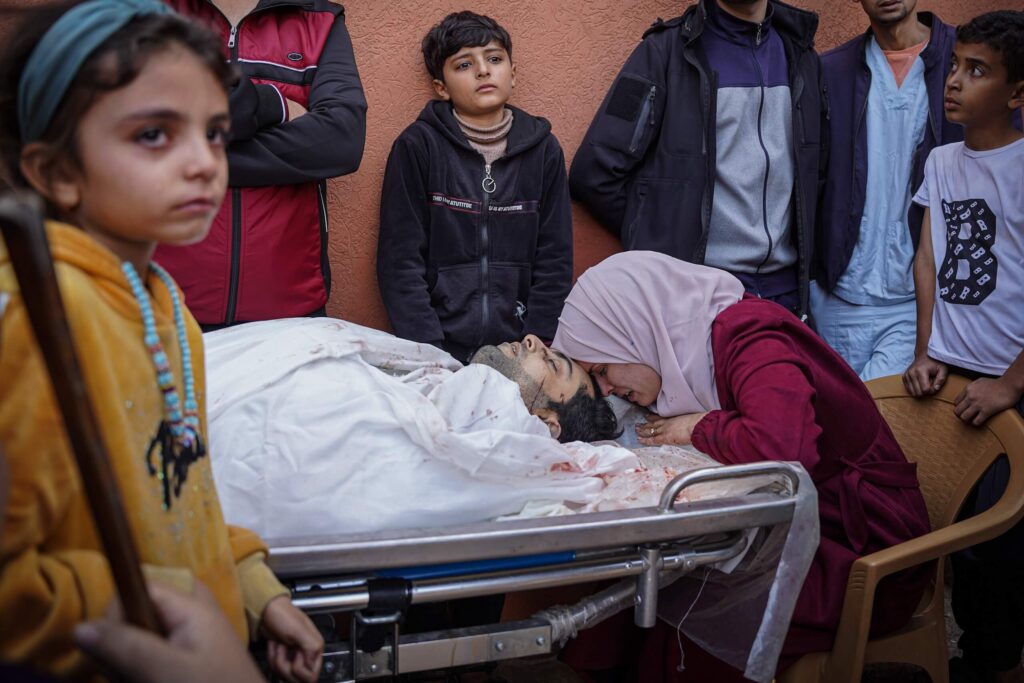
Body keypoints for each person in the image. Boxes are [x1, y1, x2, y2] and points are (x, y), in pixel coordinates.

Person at [0, 2, 320, 680]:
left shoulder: (162, 301)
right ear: (55, 171)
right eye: (154, 134)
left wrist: (253, 588)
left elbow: (180, 483)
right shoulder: (37, 319)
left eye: (214, 133)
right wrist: (160, 602)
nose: (205, 163)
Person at [553, 251, 930, 678]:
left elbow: (785, 448)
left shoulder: (750, 336)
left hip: (860, 545)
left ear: (637, 330)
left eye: (603, 370)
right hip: (795, 523)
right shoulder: (679, 360)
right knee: (631, 597)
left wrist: (700, 427)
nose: (608, 390)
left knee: (679, 621)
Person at [568, 0, 826, 318]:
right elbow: (592, 171)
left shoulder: (800, 55)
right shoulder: (662, 53)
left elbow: (820, 171)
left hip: (788, 296)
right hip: (701, 298)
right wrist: (654, 230)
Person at [902, 11, 1024, 681]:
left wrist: (1010, 383)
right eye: (955, 66)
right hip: (952, 380)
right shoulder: (941, 160)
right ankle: (972, 656)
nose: (954, 82)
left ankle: (995, 662)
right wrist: (927, 351)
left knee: (1003, 544)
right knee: (958, 536)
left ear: (1016, 92)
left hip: (1009, 384)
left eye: (978, 71)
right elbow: (928, 258)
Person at [154, 0, 367, 329]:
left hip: (291, 310)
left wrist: (181, 153)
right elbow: (120, 128)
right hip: (163, 310)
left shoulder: (319, 20)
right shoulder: (146, 12)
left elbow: (341, 142)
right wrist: (282, 107)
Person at [376, 11, 573, 363]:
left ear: (513, 75)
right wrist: (429, 350)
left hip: (518, 351)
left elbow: (555, 258)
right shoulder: (418, 147)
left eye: (494, 59)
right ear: (441, 86)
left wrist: (537, 341)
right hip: (438, 348)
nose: (483, 70)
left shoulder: (544, 151)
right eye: (463, 65)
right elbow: (400, 260)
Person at [813, 0, 961, 381]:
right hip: (837, 296)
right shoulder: (830, 71)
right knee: (835, 424)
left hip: (919, 302)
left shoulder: (964, 62)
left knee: (882, 424)